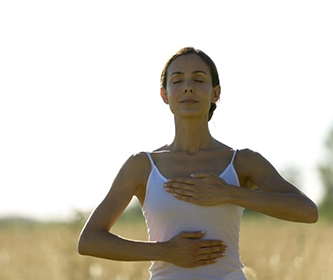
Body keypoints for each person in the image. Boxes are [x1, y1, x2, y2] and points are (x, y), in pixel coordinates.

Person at [78, 47, 318, 279]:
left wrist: (228, 193)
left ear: (216, 93)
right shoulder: (141, 165)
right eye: (178, 80)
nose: (188, 88)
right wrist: (164, 251)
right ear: (164, 94)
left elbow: (307, 211)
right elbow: (89, 240)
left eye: (199, 79)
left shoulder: (243, 161)